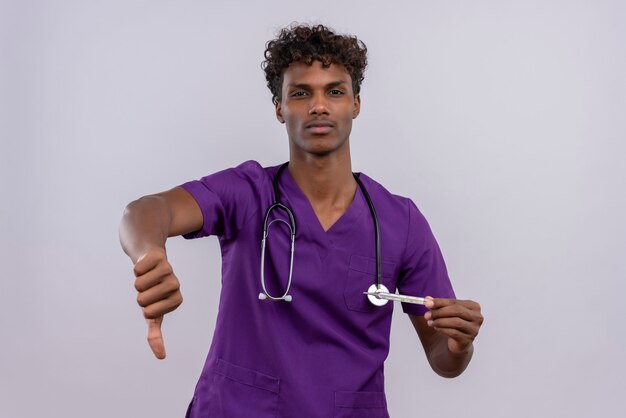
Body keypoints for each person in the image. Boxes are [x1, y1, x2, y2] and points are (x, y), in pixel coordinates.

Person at [119, 23, 484, 418]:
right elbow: (147, 210)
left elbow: (443, 360)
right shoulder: (247, 192)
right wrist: (148, 253)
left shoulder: (400, 221)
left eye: (335, 91)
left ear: (356, 103)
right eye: (300, 93)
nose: (319, 105)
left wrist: (459, 345)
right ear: (279, 108)